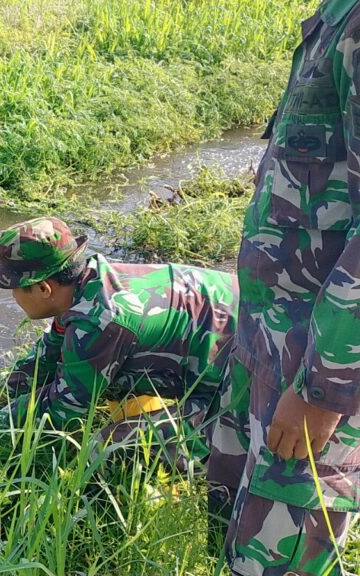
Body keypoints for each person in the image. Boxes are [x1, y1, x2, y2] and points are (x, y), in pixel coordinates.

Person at [206, 1, 360, 573]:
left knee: (277, 561)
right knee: (231, 528)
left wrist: (324, 392)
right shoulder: (335, 15)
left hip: (313, 368)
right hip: (265, 344)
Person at [0, 217, 238, 473]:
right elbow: (46, 356)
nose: (13, 296)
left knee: (102, 451)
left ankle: (215, 452)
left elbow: (63, 409)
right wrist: (0, 396)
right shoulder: (88, 281)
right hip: (239, 334)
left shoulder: (100, 320)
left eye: (15, 288)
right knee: (105, 380)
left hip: (251, 384)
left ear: (44, 289)